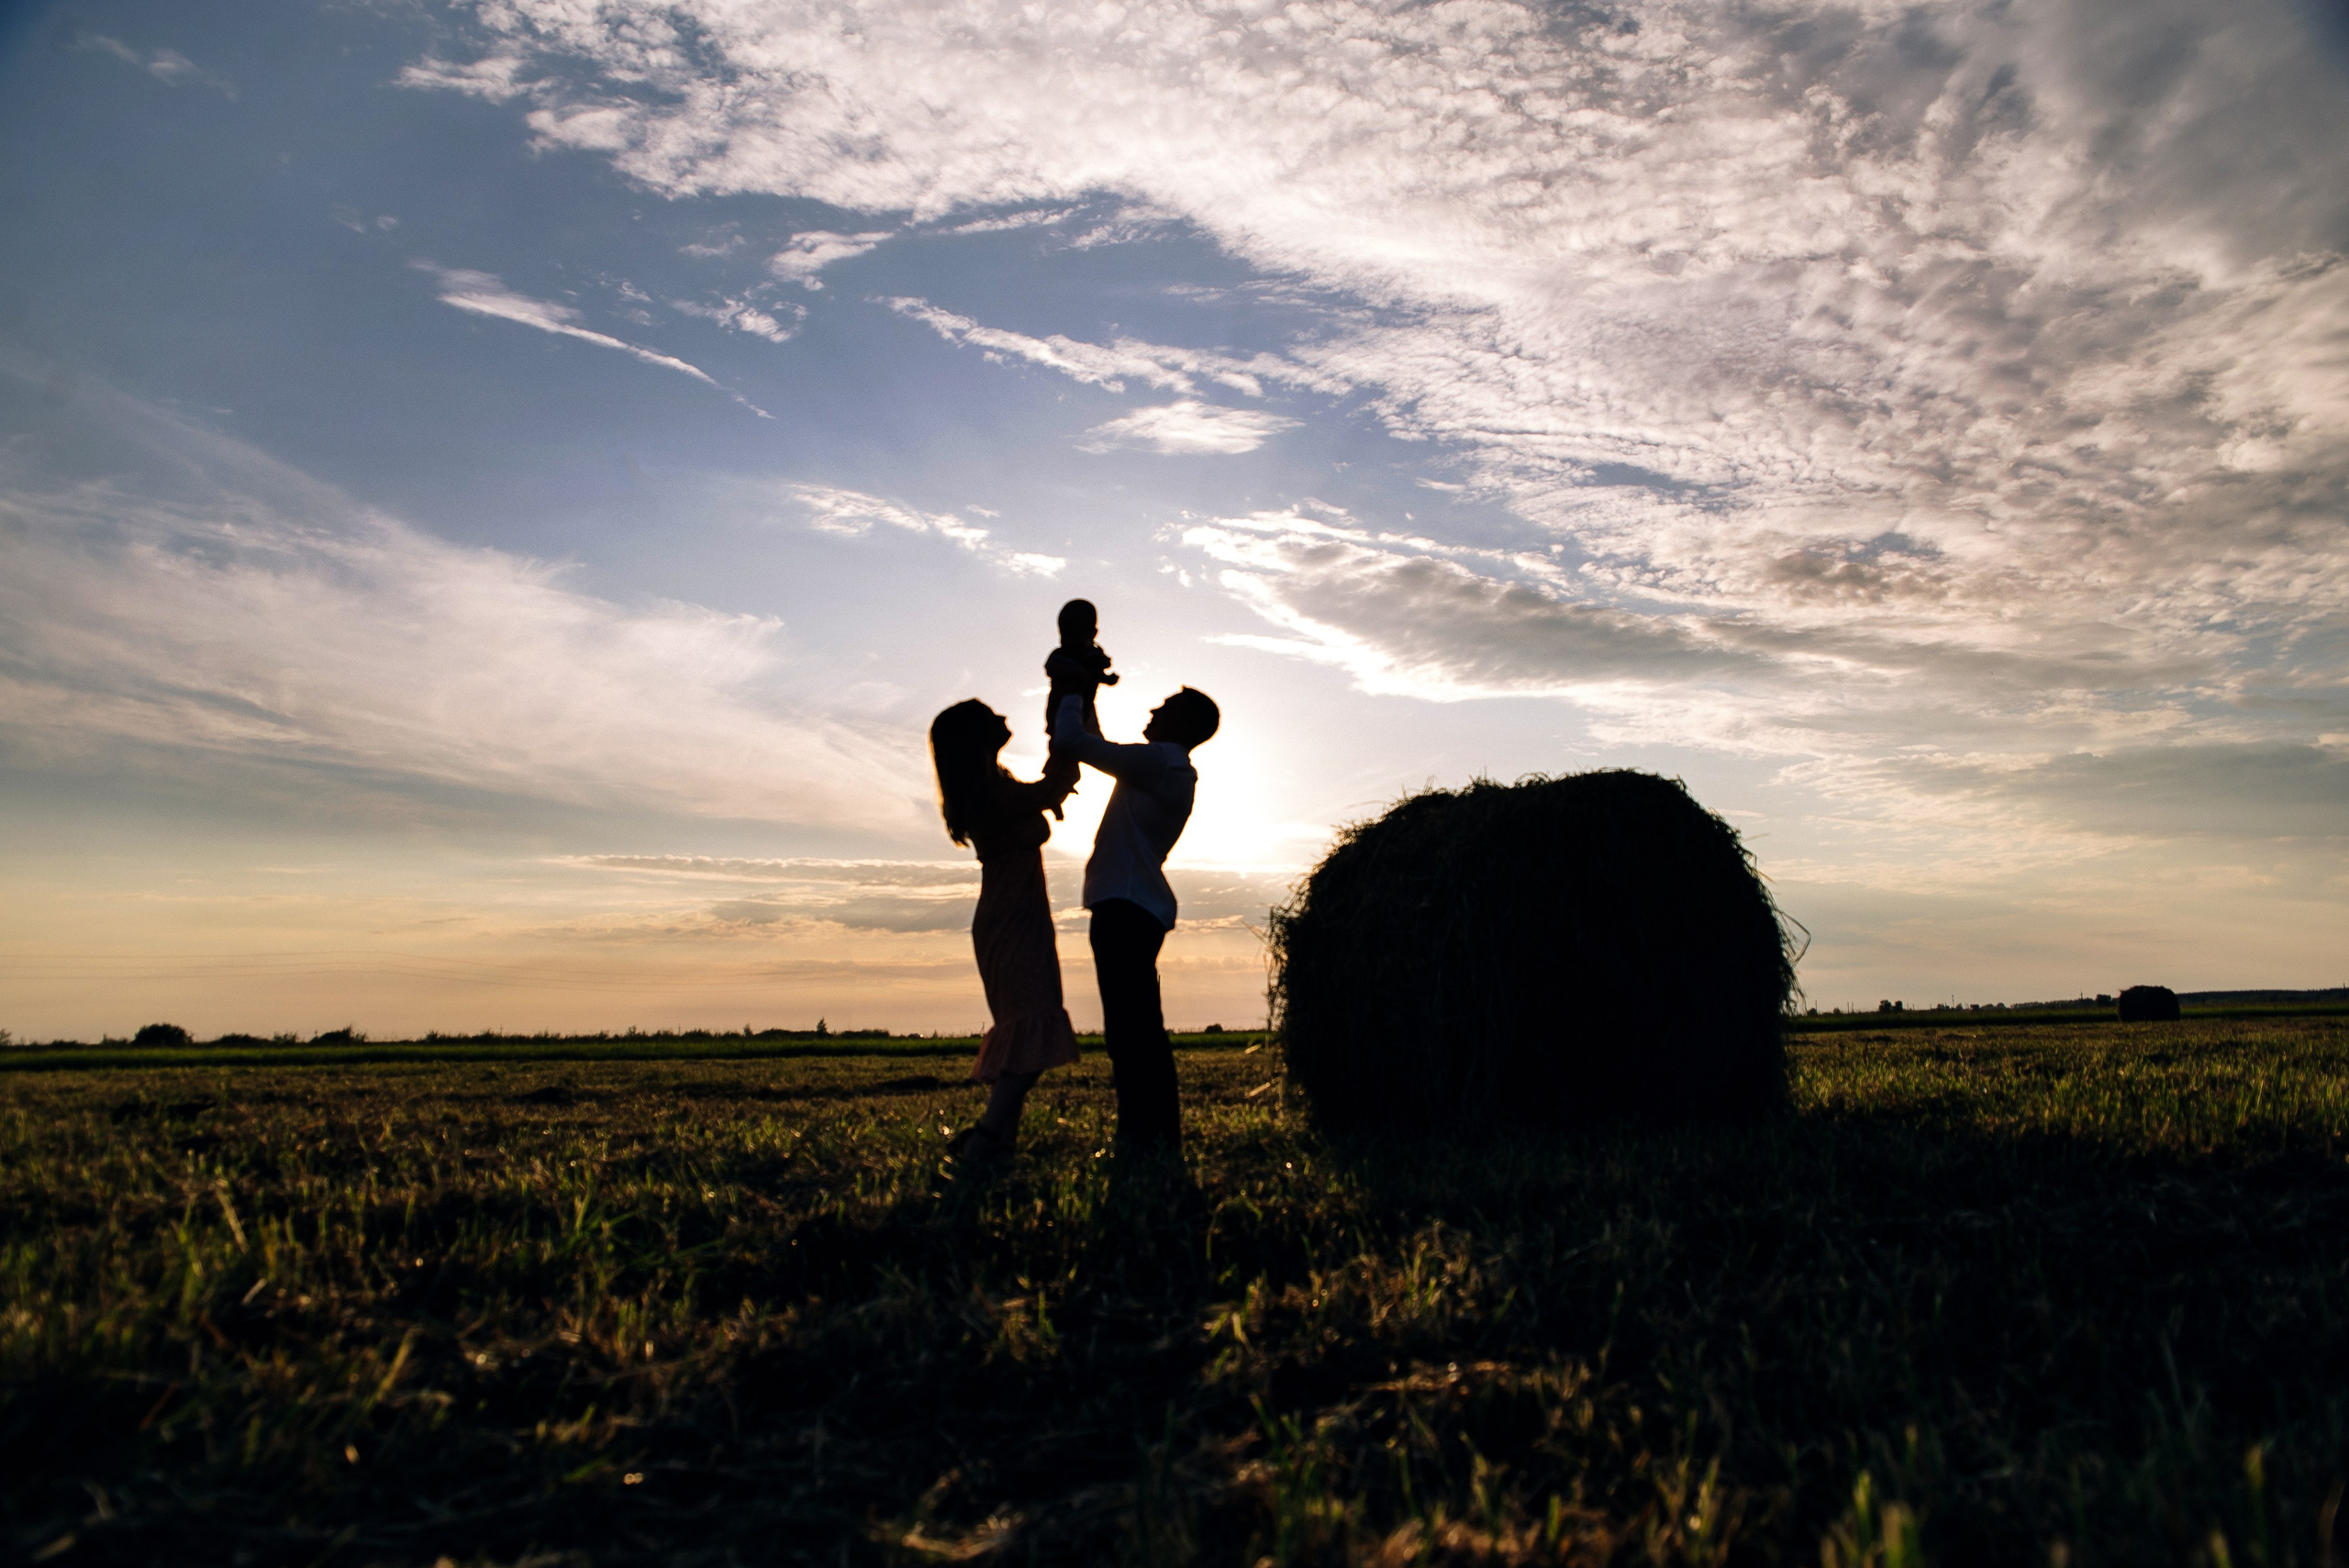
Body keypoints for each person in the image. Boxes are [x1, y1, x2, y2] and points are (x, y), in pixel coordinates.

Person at [1052, 684, 1219, 1154]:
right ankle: (1148, 1132)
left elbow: (1075, 743)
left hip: (1126, 905)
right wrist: (1084, 697)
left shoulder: (1161, 761)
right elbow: (1096, 741)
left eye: (1164, 707)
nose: (1152, 708)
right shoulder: (1164, 766)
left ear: (1183, 725)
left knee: (1131, 1029)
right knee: (1135, 1026)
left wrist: (1070, 687)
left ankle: (1146, 1135)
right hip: (1131, 904)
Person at [928, 699, 1082, 1170]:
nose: (1002, 717)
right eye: (989, 715)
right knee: (1029, 1030)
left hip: (1022, 912)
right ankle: (985, 1140)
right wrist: (1070, 719)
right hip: (1010, 915)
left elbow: (1046, 793)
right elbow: (1055, 785)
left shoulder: (998, 786)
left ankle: (1000, 1149)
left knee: (1026, 1027)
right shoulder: (985, 795)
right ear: (974, 737)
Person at [1043, 598, 1119, 741]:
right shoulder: (1061, 655)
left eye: (1076, 635)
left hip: (1086, 707)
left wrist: (1108, 679)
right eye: (1067, 635)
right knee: (1061, 740)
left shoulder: (1092, 656)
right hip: (1061, 704)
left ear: (1092, 634)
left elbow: (1096, 673)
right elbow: (1051, 667)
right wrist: (1075, 671)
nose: (1071, 641)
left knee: (1092, 740)